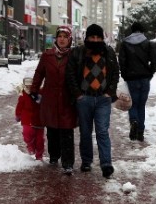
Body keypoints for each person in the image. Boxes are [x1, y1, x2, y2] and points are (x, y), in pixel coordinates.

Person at [66, 24, 119, 178]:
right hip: (84, 99)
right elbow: (70, 74)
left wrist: (110, 91)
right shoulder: (78, 52)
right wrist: (77, 94)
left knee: (102, 131)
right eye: (92, 37)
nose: (95, 40)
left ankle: (106, 163)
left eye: (98, 37)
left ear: (102, 38)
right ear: (87, 38)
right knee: (85, 132)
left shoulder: (108, 52)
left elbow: (115, 72)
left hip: (103, 99)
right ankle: (86, 161)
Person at [30, 25, 78, 175]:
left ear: (69, 39)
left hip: (67, 98)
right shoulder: (47, 56)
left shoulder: (74, 56)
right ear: (56, 38)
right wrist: (34, 90)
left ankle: (68, 162)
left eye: (65, 36)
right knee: (52, 130)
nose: (62, 39)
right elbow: (39, 74)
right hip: (50, 98)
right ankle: (54, 155)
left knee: (66, 130)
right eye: (60, 36)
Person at [118, 22, 156, 141]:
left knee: (133, 104)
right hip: (144, 78)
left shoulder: (125, 43)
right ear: (142, 31)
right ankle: (140, 132)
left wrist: (125, 75)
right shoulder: (148, 43)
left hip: (131, 79)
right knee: (141, 105)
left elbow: (122, 62)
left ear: (132, 30)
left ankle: (134, 121)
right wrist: (150, 73)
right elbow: (154, 61)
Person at [15, 77, 44, 161]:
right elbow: (19, 105)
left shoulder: (39, 93)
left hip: (39, 119)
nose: (29, 87)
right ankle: (30, 145)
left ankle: (39, 155)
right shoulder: (23, 94)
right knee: (27, 134)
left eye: (30, 85)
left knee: (40, 139)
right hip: (27, 117)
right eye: (27, 86)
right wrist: (18, 115)